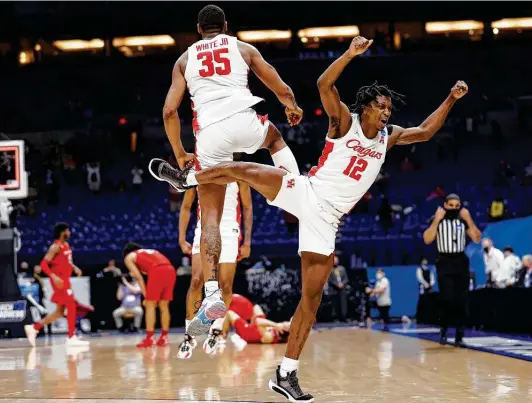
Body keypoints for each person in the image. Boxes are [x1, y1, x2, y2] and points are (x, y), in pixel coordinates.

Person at [150, 36, 469, 402]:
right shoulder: (342, 121)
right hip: (307, 192)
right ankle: (185, 178)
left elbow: (426, 132)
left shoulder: (389, 137)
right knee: (242, 167)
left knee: (311, 300)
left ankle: (286, 374)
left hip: (327, 219)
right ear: (365, 107)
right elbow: (323, 85)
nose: (386, 113)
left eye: (389, 109)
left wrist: (451, 99)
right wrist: (349, 54)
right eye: (381, 106)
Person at [150, 4, 303, 337]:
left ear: (198, 29)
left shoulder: (184, 60)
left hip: (209, 133)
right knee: (274, 139)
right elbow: (279, 85)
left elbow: (168, 111)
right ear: (226, 26)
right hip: (244, 117)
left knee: (210, 218)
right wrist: (290, 105)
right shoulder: (243, 48)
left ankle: (210, 290)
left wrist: (179, 151)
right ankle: (297, 189)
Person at [177, 181, 253, 359]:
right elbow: (186, 205)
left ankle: (216, 330)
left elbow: (247, 207)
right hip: (204, 229)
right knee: (196, 281)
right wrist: (181, 238)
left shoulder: (238, 173)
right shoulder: (199, 171)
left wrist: (247, 241)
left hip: (229, 231)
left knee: (225, 286)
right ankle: (190, 335)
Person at [423, 194, 481, 347]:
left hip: (461, 260)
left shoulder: (463, 220)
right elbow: (427, 239)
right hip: (444, 261)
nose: (454, 209)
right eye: (451, 205)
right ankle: (443, 331)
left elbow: (477, 238)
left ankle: (459, 337)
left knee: (461, 299)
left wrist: (469, 219)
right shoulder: (437, 219)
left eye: (457, 206)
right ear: (445, 205)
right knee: (446, 298)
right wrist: (436, 219)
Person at [24, 222, 90, 347]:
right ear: (62, 232)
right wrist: (53, 277)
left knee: (59, 312)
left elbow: (67, 261)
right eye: (67, 231)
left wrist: (75, 268)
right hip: (59, 282)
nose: (69, 233)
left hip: (66, 280)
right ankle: (71, 337)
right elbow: (43, 264)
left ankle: (34, 327)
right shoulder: (55, 247)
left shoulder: (66, 245)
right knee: (71, 305)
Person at [122, 243, 177, 348]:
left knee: (150, 305)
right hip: (170, 269)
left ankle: (150, 338)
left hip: (157, 271)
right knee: (164, 305)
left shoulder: (129, 257)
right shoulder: (150, 252)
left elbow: (139, 278)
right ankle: (164, 337)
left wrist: (146, 296)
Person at [222, 294, 290, 346]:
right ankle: (248, 321)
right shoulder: (278, 333)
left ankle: (222, 335)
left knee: (230, 313)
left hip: (248, 332)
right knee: (256, 307)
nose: (285, 322)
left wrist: (275, 324)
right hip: (257, 328)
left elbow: (258, 322)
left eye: (284, 324)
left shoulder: (270, 337)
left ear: (282, 331)